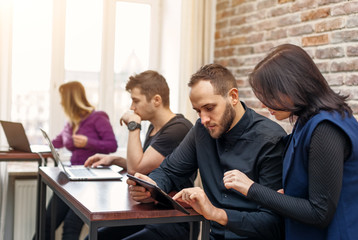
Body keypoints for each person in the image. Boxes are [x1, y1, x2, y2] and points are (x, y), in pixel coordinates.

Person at [128, 63, 287, 239]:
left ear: (233, 97)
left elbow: (273, 223)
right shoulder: (201, 130)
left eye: (209, 108)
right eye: (198, 111)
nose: (203, 119)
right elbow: (169, 171)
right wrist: (150, 187)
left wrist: (215, 213)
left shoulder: (269, 139)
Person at [223, 44, 358, 240]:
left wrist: (251, 188)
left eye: (269, 95)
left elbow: (319, 213)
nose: (263, 104)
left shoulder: (326, 128)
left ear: (292, 86)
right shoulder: (308, 121)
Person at [84, 70, 196, 240]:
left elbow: (136, 167)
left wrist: (134, 126)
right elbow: (144, 168)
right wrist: (114, 159)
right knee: (94, 237)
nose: (131, 107)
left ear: (156, 100)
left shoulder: (178, 129)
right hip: (149, 213)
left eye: (136, 101)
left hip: (172, 220)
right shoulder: (153, 127)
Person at [42, 81, 118, 240]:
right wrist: (40, 145)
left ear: (71, 100)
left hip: (90, 181)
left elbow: (112, 145)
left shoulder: (98, 117)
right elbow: (57, 142)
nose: (61, 103)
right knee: (47, 222)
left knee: (71, 225)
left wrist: (88, 142)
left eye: (63, 98)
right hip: (70, 177)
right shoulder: (70, 123)